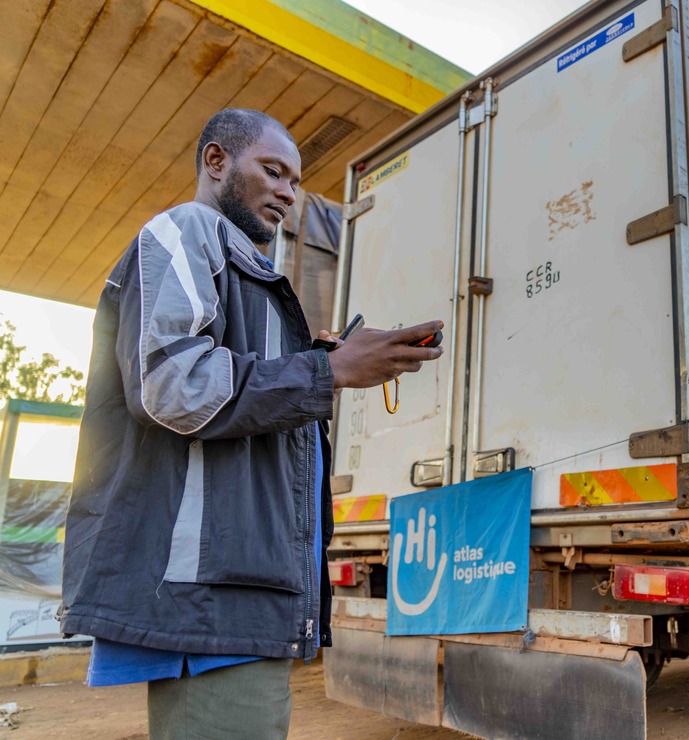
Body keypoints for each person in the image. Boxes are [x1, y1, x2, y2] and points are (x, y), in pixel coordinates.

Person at [58, 108, 442, 738]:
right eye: (274, 171)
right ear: (216, 162)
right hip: (210, 596)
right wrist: (330, 373)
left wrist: (323, 361)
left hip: (241, 591)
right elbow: (170, 386)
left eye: (296, 180)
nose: (290, 193)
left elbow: (237, 393)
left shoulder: (249, 273)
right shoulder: (186, 232)